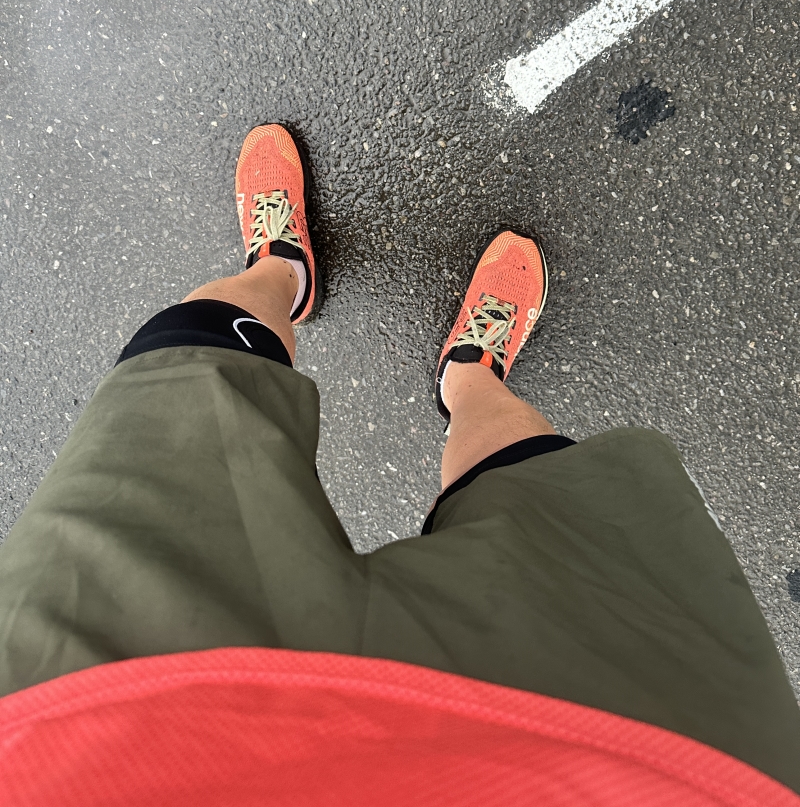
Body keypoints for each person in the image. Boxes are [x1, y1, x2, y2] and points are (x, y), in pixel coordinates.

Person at [0, 123, 798, 806]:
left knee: (190, 373)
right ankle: (470, 375)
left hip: (96, 726)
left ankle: (281, 270)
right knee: (555, 516)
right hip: (591, 757)